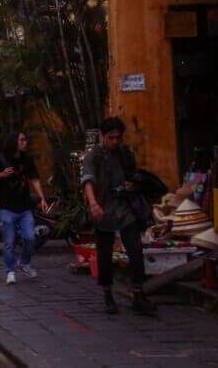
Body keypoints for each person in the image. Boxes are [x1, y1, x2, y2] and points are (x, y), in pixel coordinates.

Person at [82, 117, 156, 316]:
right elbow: (88, 181)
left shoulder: (125, 153)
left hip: (125, 208)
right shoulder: (93, 156)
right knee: (104, 255)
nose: (114, 141)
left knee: (135, 251)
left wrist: (133, 184)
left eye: (117, 137)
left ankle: (139, 294)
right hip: (103, 209)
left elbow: (133, 176)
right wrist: (93, 203)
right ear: (103, 136)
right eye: (110, 137)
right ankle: (108, 295)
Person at [0, 132, 48, 284]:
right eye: (22, 140)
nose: (25, 142)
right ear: (13, 142)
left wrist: (42, 197)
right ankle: (10, 271)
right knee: (9, 242)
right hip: (6, 206)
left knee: (30, 237)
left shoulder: (26, 159)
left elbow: (34, 178)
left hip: (24, 205)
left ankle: (24, 263)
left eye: (26, 139)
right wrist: (2, 174)